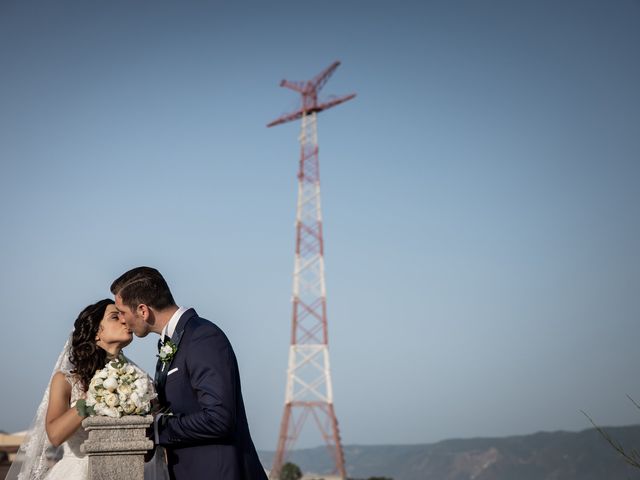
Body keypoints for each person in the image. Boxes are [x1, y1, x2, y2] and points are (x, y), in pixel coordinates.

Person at [111, 266, 268, 480]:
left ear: (143, 310)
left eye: (122, 312)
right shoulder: (174, 341)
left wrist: (155, 428)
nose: (121, 319)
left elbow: (218, 418)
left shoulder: (202, 337)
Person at [5, 299, 133, 480]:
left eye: (124, 315)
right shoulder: (67, 380)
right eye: (115, 316)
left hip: (126, 471)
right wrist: (93, 398)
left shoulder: (135, 380)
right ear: (96, 332)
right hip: (79, 472)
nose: (124, 320)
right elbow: (55, 436)